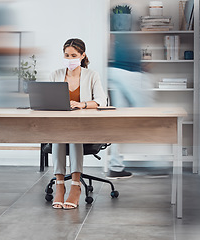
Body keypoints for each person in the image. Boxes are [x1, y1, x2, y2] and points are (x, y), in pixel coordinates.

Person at [49, 38, 106, 209]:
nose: (69, 59)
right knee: (60, 135)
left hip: (83, 126)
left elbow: (102, 100)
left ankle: (75, 186)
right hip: (60, 124)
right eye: (66, 55)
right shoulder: (56, 75)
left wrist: (83, 104)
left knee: (73, 135)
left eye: (73, 55)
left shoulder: (91, 75)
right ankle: (60, 185)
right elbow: (48, 99)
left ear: (82, 56)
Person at [106, 34, 154, 179]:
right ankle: (156, 164)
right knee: (151, 116)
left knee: (118, 121)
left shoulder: (115, 26)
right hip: (130, 72)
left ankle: (115, 166)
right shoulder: (125, 28)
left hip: (114, 72)